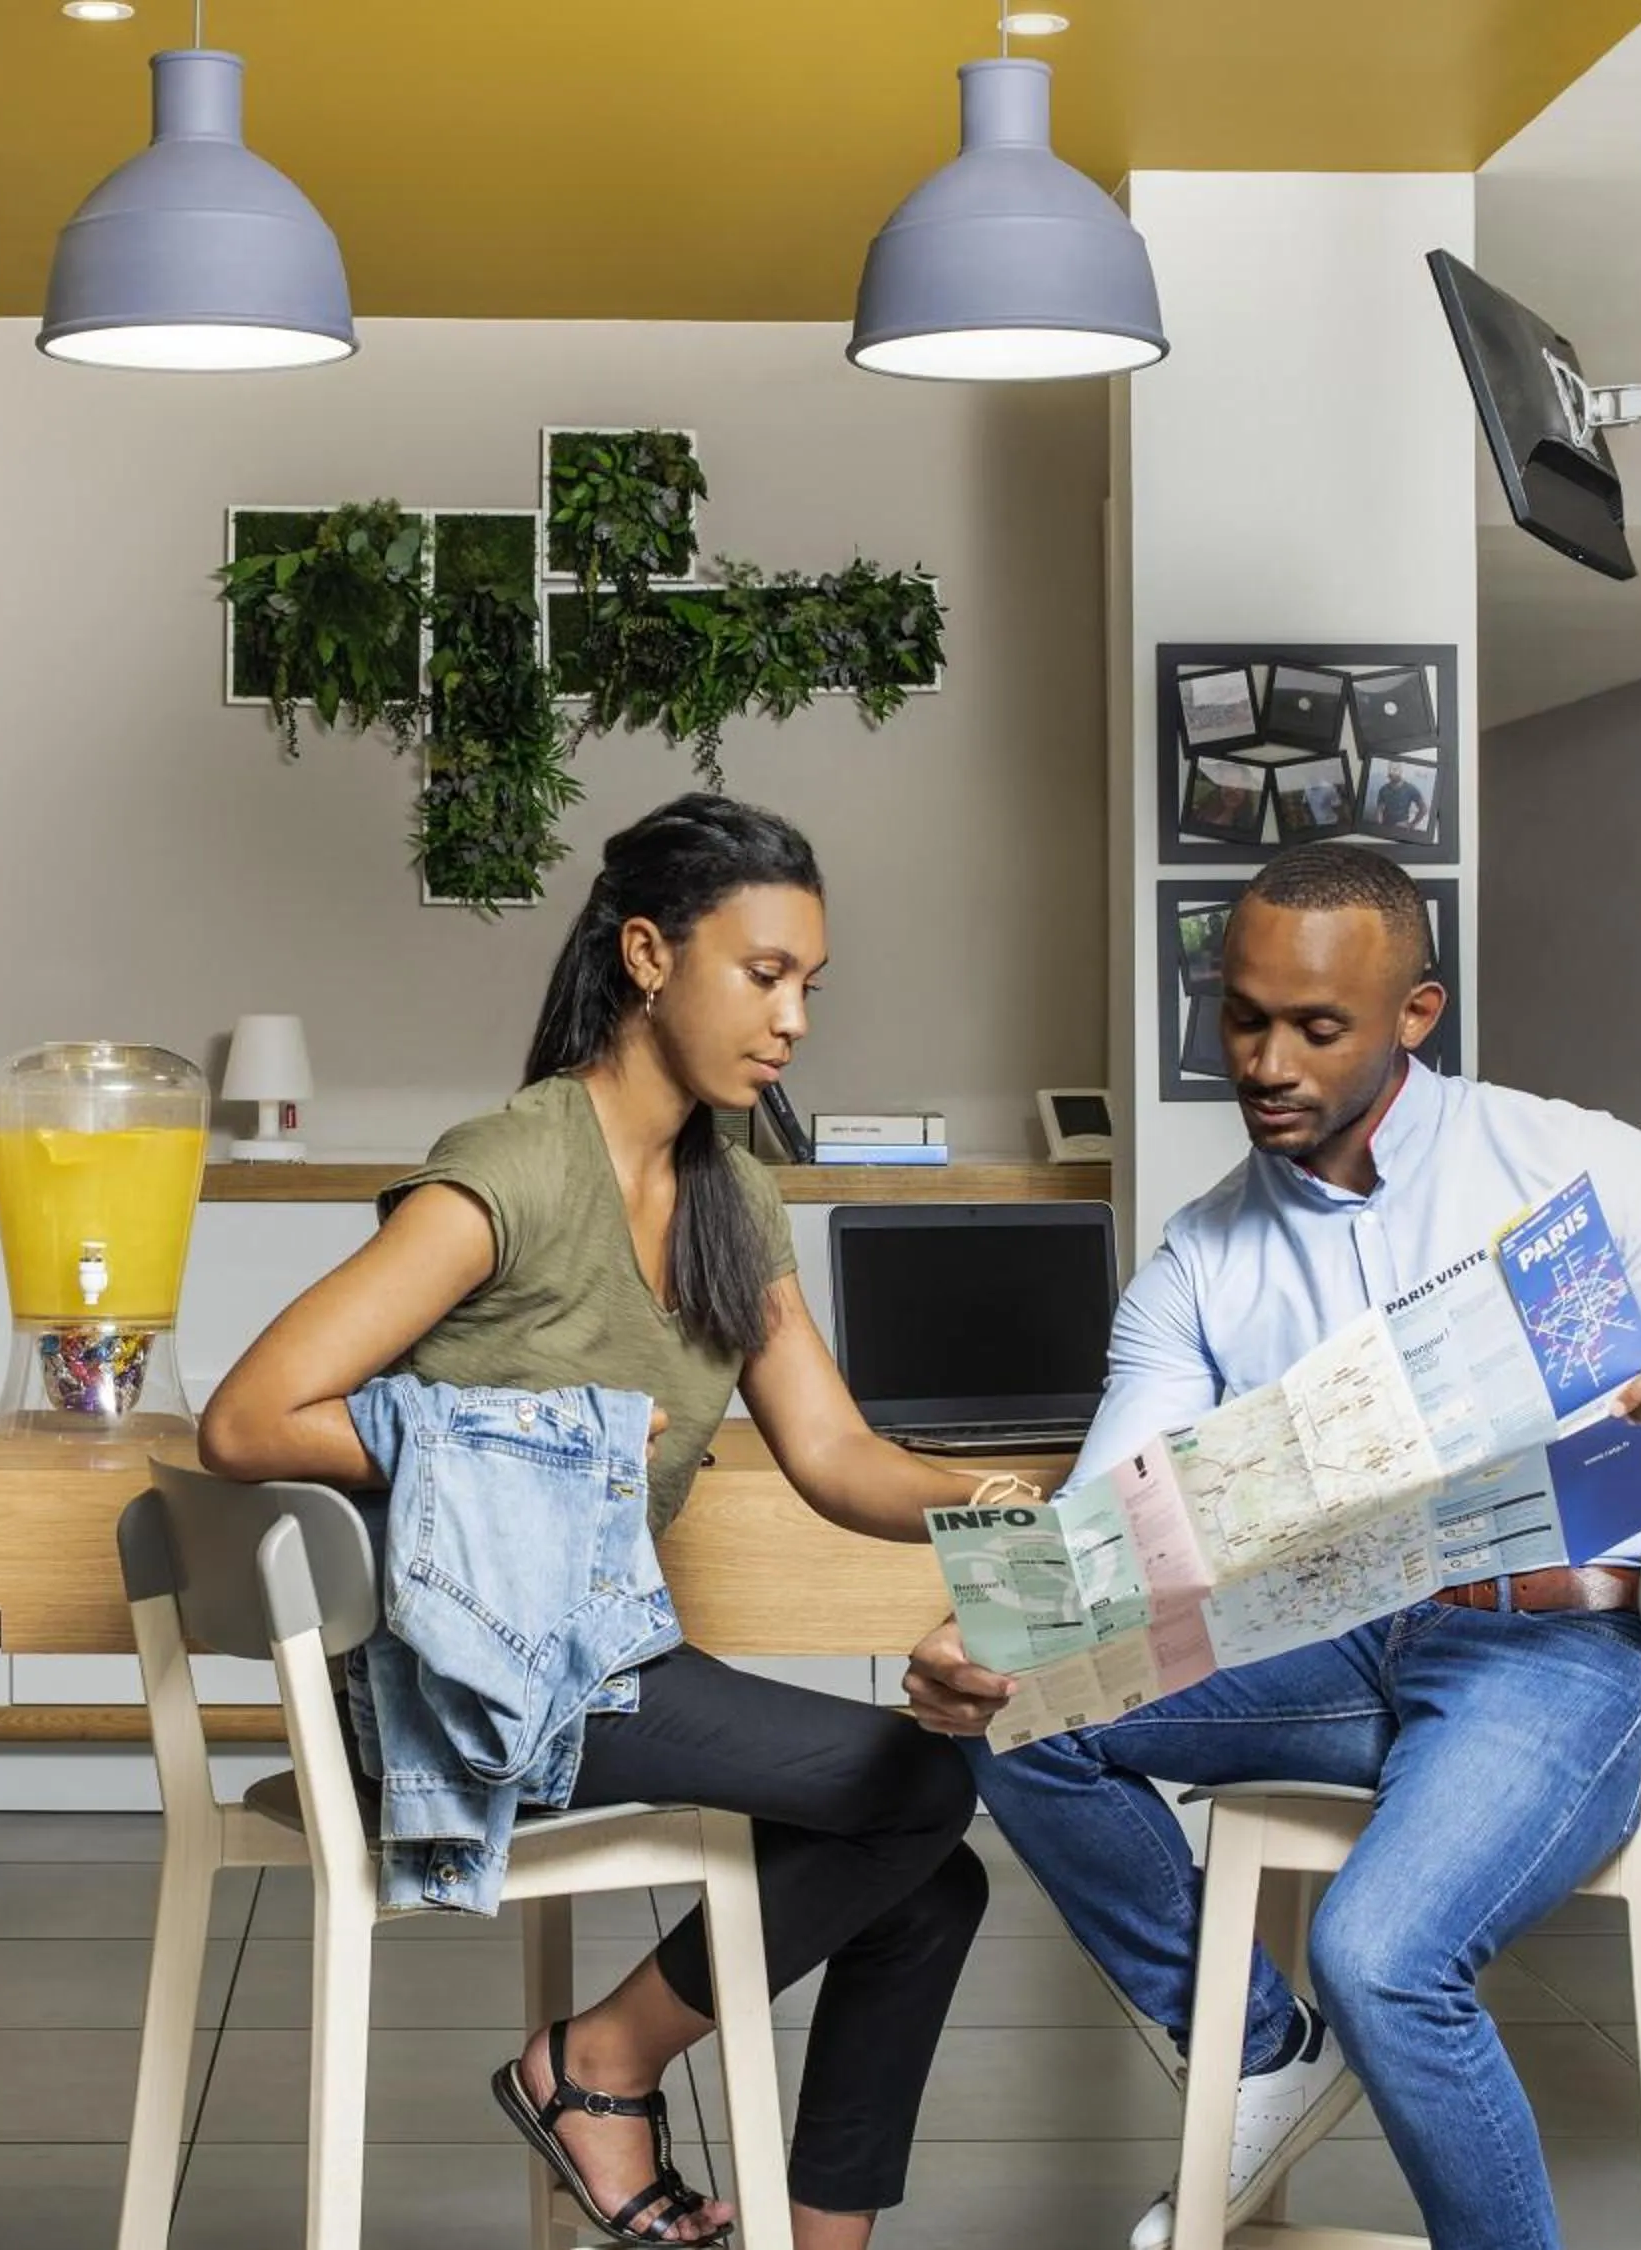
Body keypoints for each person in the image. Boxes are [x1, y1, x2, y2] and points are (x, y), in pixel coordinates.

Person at [902, 840, 1641, 2250]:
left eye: (1316, 1025)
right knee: (1022, 1721)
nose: (1267, 1060)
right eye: (1242, 1015)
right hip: (1338, 1641)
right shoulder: (1201, 1259)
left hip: (1559, 1655)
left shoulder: (1573, 1168)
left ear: (1417, 1014)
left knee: (1382, 1953)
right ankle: (1259, 2051)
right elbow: (1110, 1524)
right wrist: (997, 1635)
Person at [203, 793, 1002, 2249]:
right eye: (764, 974)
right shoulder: (511, 1165)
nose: (795, 1018)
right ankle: (597, 2064)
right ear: (648, 953)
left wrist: (1006, 1497)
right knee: (924, 1787)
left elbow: (832, 1452)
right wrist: (534, 1450)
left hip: (607, 1668)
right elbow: (252, 1416)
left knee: (935, 1882)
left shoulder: (731, 1196)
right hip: (465, 1689)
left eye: (810, 985)